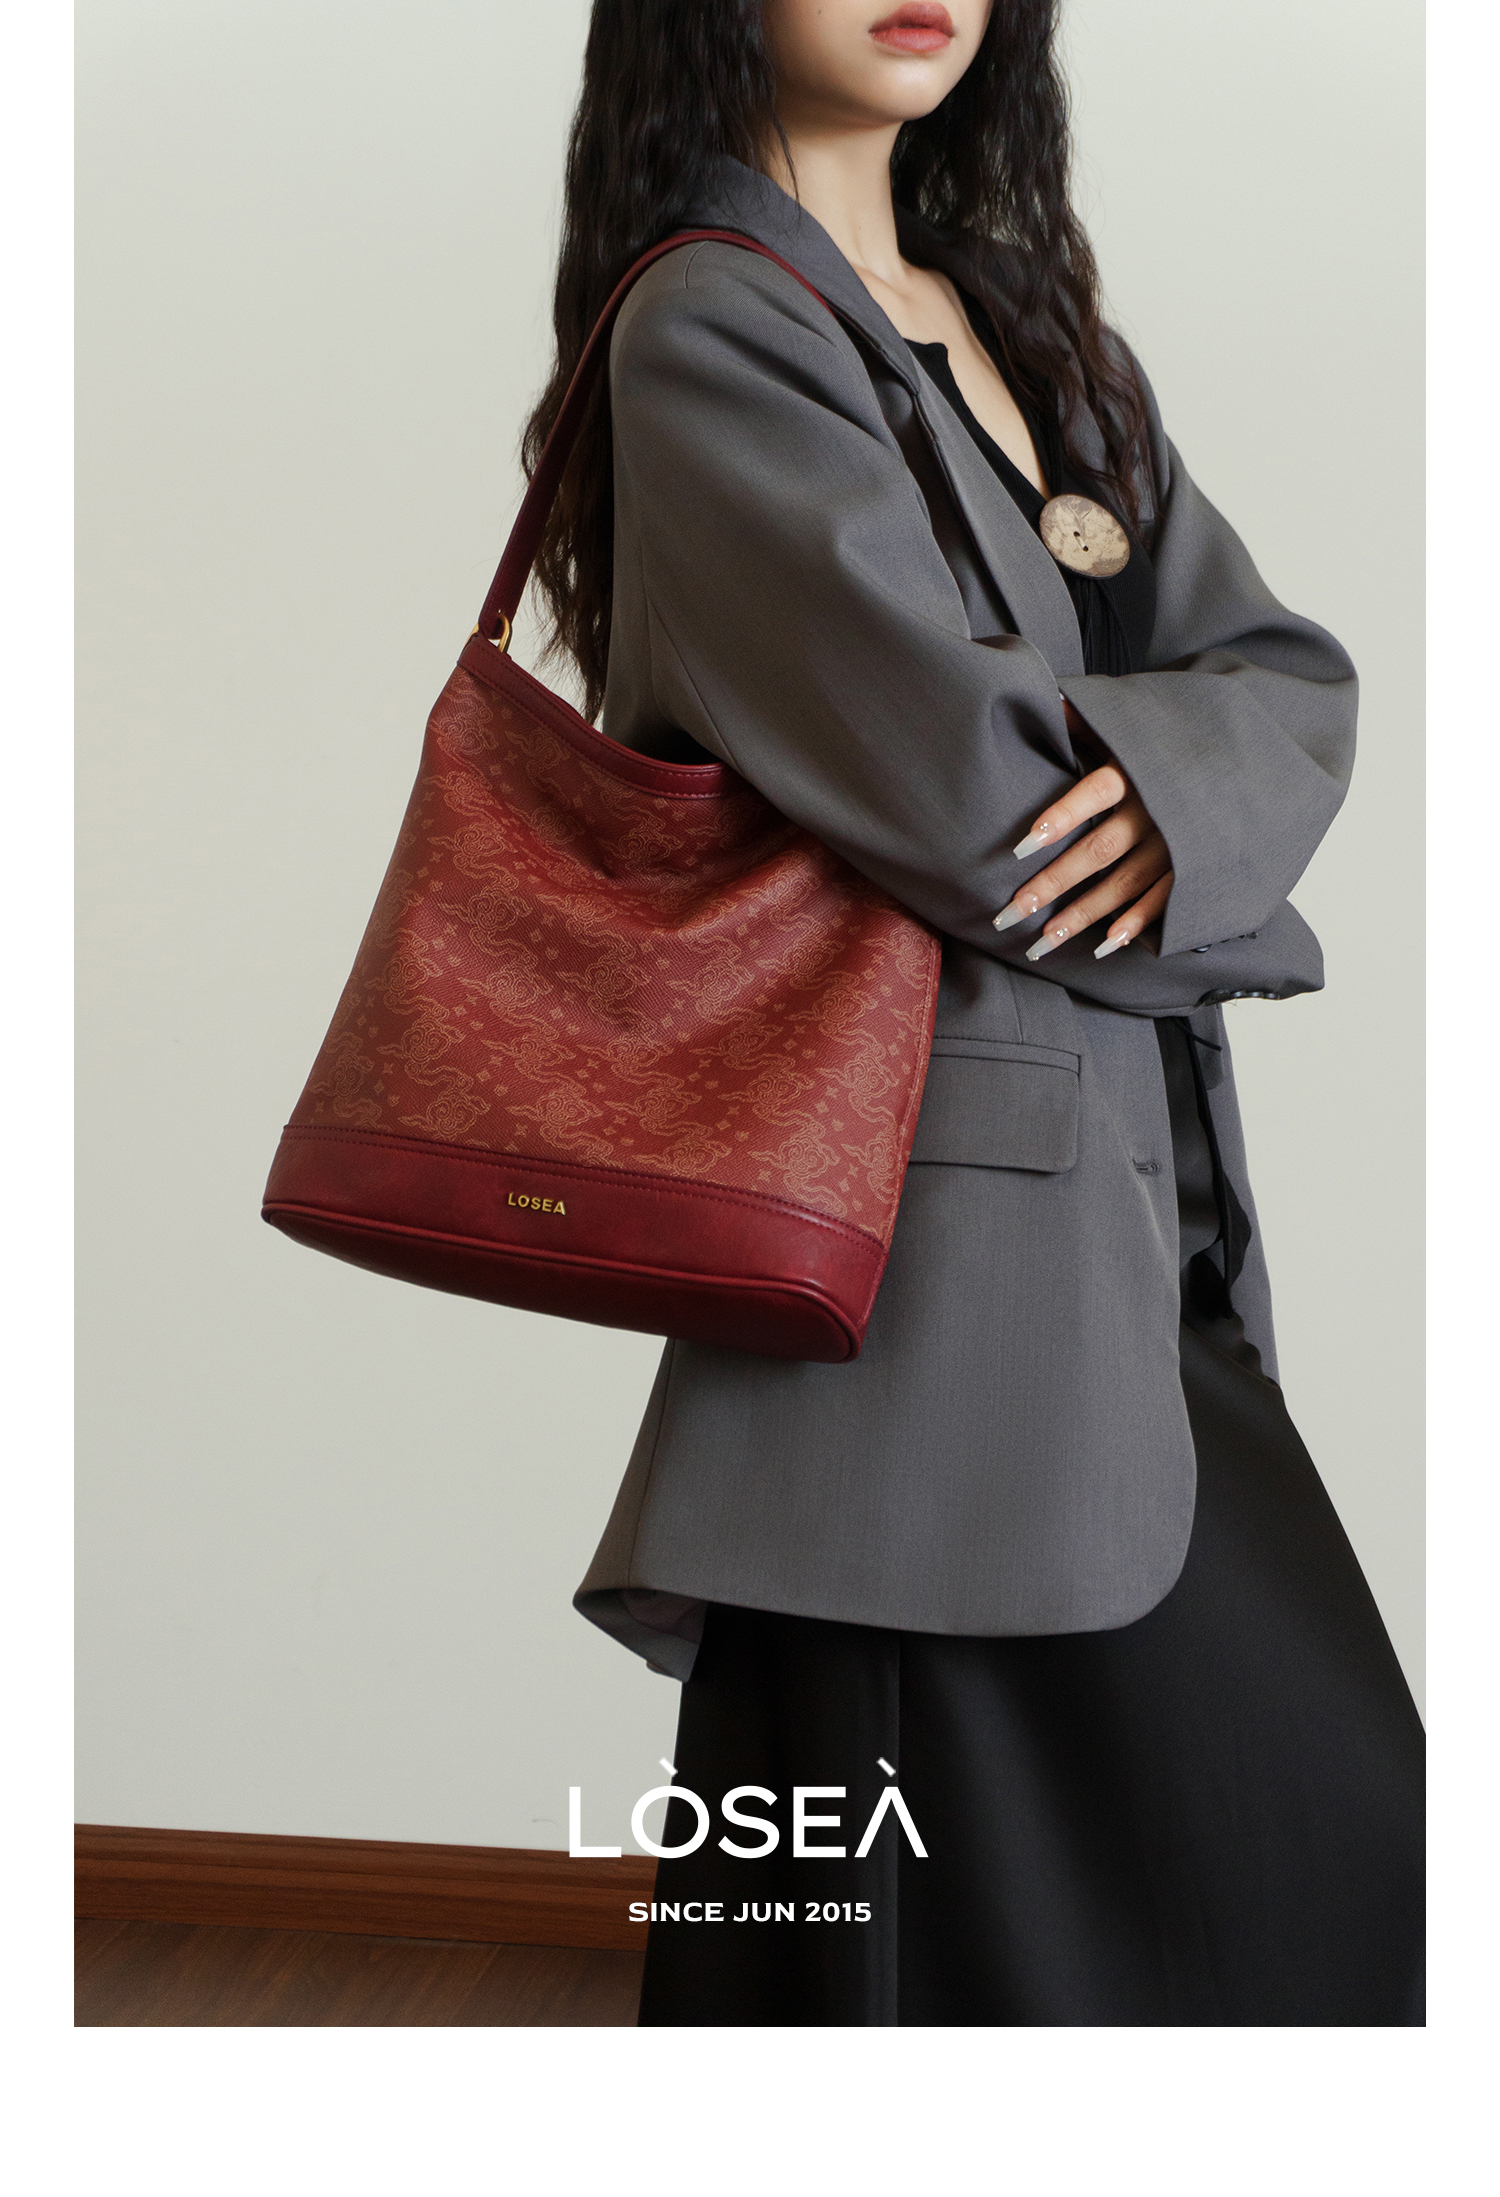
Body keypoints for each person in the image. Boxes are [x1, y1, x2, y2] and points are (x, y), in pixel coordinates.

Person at [519, 0, 1424, 2024]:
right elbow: (980, 807)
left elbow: (1292, 681)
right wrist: (1222, 863)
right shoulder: (713, 331)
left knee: (1184, 1930)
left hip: (1144, 1264)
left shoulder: (1040, 340)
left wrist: (1176, 808)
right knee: (1002, 1960)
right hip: (917, 1323)